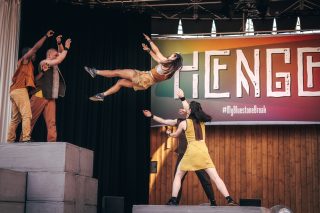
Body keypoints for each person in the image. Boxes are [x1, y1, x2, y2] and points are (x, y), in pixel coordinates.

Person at [165, 98, 238, 206]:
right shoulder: (202, 122)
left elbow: (175, 135)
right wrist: (187, 108)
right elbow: (191, 111)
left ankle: (174, 200)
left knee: (178, 176)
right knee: (216, 177)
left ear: (190, 110)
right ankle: (229, 199)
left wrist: (168, 134)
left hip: (191, 152)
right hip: (203, 152)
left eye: (188, 109)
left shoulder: (184, 123)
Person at [143, 107, 217, 205]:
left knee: (205, 179)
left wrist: (186, 108)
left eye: (184, 109)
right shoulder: (179, 121)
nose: (181, 110)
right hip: (183, 155)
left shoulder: (197, 121)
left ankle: (212, 201)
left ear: (190, 111)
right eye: (181, 109)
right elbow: (165, 121)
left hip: (195, 154)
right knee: (178, 178)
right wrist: (151, 116)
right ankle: (175, 201)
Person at [84, 33, 183, 101]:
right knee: (120, 82)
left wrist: (149, 40)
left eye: (173, 55)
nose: (170, 55)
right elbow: (157, 58)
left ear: (174, 58)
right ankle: (102, 95)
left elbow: (157, 52)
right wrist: (148, 50)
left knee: (117, 72)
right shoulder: (170, 71)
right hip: (146, 83)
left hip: (144, 77)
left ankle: (95, 72)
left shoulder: (166, 62)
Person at [7, 30, 54, 142]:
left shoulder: (29, 66)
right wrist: (45, 36)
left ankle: (9, 140)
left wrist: (42, 72)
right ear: (28, 54)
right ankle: (25, 138)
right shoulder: (25, 60)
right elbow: (35, 48)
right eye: (33, 53)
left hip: (14, 92)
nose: (35, 54)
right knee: (27, 114)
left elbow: (34, 80)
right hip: (19, 91)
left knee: (15, 119)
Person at [28, 35, 71, 142]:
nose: (58, 55)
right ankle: (24, 138)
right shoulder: (44, 62)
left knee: (52, 121)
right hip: (40, 94)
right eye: (55, 54)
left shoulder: (54, 63)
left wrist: (59, 43)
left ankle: (52, 143)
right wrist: (66, 48)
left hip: (50, 96)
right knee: (31, 118)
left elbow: (61, 54)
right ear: (49, 55)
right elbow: (60, 58)